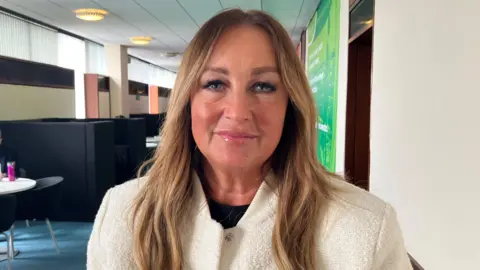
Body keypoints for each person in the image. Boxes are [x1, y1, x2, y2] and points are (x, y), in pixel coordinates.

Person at [87, 9, 412, 270]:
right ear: (188, 101)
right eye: (215, 83)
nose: (239, 112)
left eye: (263, 86)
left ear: (291, 104)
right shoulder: (124, 211)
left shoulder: (365, 225)